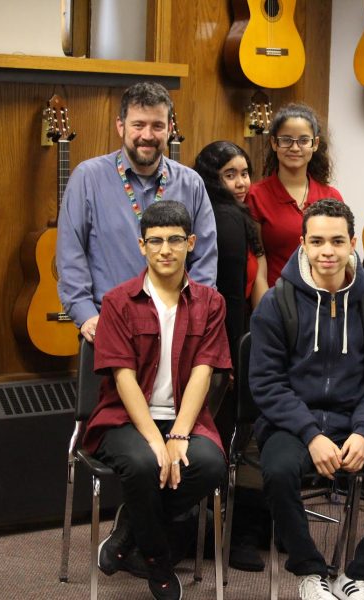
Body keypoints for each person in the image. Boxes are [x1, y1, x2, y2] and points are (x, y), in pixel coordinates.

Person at [249, 200, 364, 600]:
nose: (326, 251)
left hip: (355, 423)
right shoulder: (275, 304)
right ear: (303, 244)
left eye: (335, 241)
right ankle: (309, 571)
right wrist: (311, 434)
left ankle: (359, 574)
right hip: (292, 425)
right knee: (278, 472)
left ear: (351, 243)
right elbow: (266, 383)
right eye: (316, 241)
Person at [87, 201, 230, 600]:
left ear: (191, 243)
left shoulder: (211, 303)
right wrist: (155, 440)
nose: (165, 249)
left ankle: (131, 526)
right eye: (155, 241)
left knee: (212, 464)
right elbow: (123, 378)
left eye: (174, 240)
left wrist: (179, 435)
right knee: (141, 462)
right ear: (141, 245)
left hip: (185, 418)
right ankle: (158, 563)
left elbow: (205, 371)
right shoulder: (118, 301)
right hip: (125, 420)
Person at [57, 81, 218, 344]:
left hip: (177, 327)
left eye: (157, 125)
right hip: (109, 325)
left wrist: (194, 315)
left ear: (169, 128)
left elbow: (205, 257)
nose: (147, 135)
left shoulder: (191, 183)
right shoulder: (88, 178)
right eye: (138, 125)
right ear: (121, 126)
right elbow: (70, 253)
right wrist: (85, 314)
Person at [193, 141, 270, 572]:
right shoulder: (224, 219)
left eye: (245, 172)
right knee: (236, 440)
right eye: (230, 174)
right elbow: (229, 302)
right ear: (212, 179)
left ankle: (240, 531)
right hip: (227, 347)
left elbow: (258, 294)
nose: (241, 182)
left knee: (244, 441)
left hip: (242, 343)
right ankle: (235, 535)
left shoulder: (238, 216)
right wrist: (234, 363)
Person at [246, 103, 343, 286]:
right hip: (277, 300)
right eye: (286, 140)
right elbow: (258, 264)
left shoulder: (332, 197)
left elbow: (341, 257)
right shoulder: (255, 196)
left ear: (315, 144)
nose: (295, 148)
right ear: (274, 143)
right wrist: (266, 310)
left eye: (303, 140)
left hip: (322, 299)